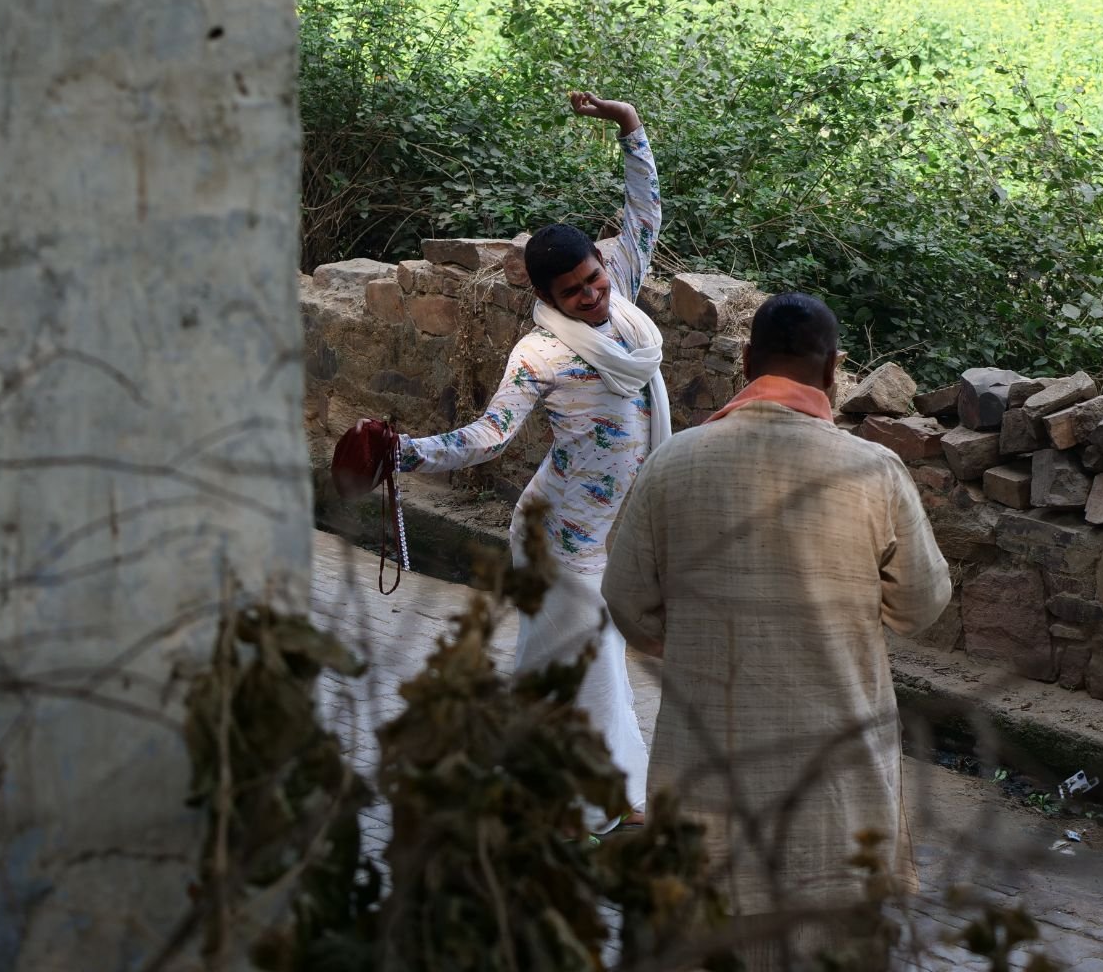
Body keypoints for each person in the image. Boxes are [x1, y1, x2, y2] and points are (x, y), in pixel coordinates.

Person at [601, 292, 952, 969]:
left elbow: (627, 602)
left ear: (745, 360)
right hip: (837, 791)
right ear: (834, 369)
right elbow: (921, 604)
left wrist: (697, 642)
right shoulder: (874, 472)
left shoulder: (673, 463)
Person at [394, 91, 662, 832]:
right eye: (573, 292)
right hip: (556, 540)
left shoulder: (625, 300)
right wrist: (406, 454)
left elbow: (644, 213)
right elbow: (489, 436)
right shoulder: (539, 353)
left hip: (604, 536)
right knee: (591, 666)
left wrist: (628, 125)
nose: (593, 295)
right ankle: (599, 803)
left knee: (579, 667)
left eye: (594, 278)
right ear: (546, 298)